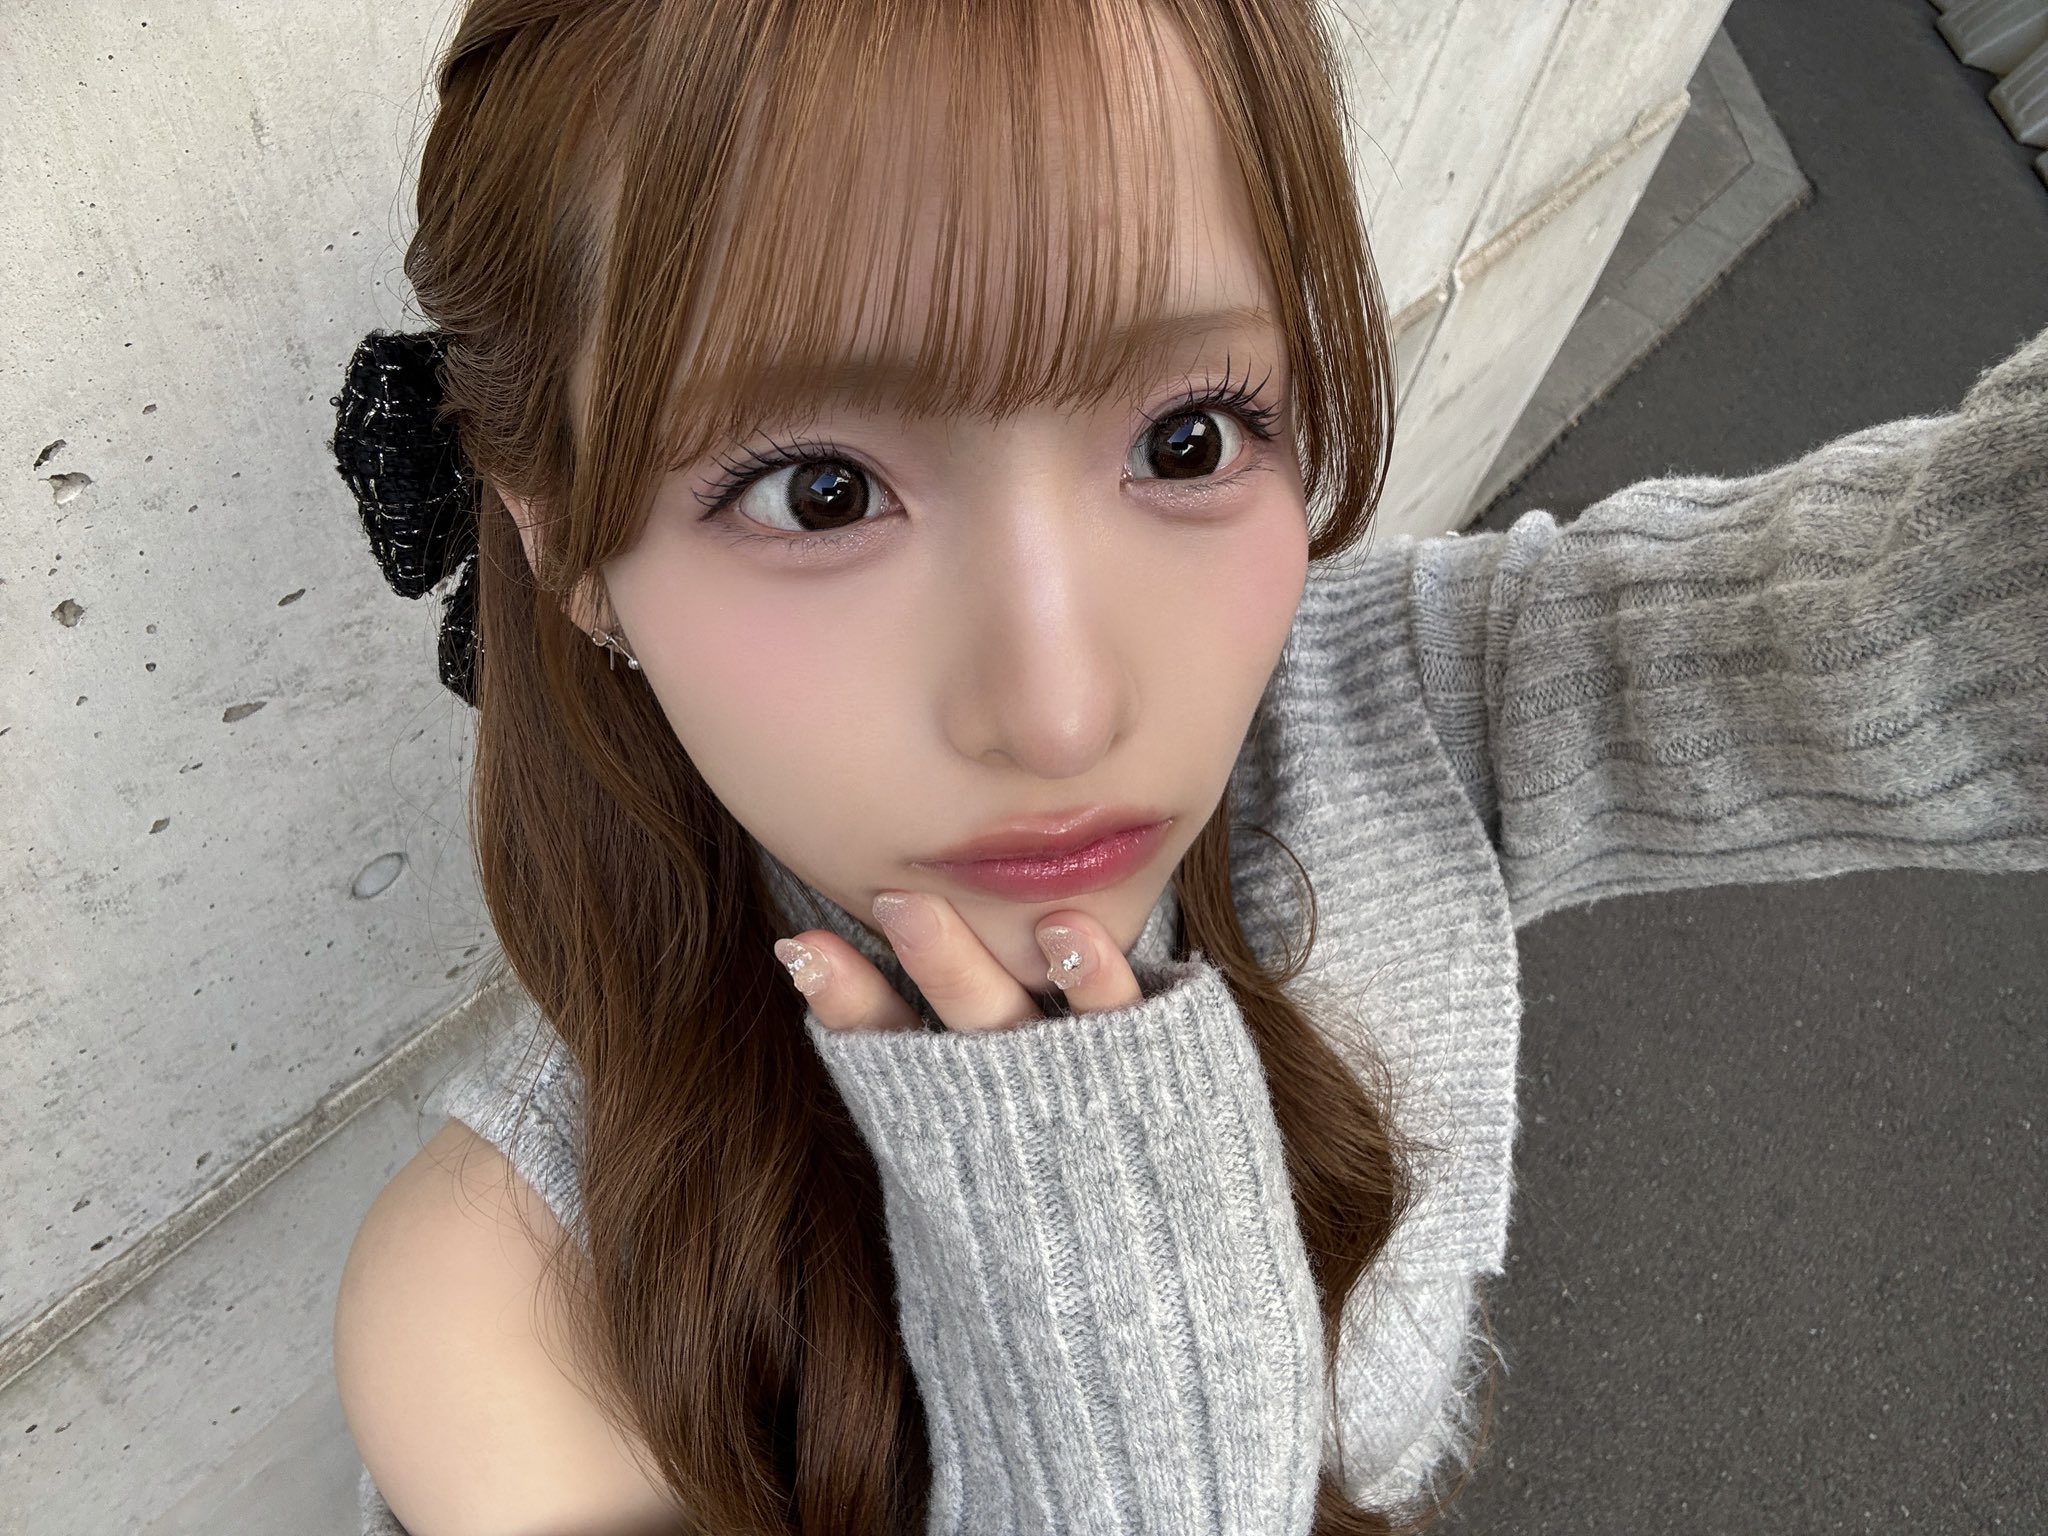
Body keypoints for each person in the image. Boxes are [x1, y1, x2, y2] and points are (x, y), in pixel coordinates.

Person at [326, 1, 2048, 1533]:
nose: (1065, 713)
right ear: (564, 546)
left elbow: (1930, 627)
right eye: (821, 491)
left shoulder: (1390, 717)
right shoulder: (513, 1315)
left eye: (1186, 437)